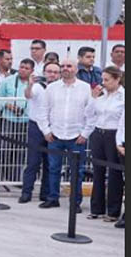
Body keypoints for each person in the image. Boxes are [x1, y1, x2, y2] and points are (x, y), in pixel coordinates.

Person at [39, 59, 93, 212]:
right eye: (62, 66)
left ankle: (75, 202)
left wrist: (85, 133)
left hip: (76, 137)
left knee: (77, 171)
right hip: (55, 135)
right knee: (53, 168)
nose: (65, 69)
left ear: (76, 69)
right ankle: (52, 198)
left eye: (69, 66)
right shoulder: (52, 88)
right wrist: (46, 131)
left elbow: (91, 113)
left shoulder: (85, 88)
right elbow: (43, 110)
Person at [84, 67, 125, 222]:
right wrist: (93, 98)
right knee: (98, 171)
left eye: (107, 80)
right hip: (98, 133)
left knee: (114, 173)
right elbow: (88, 114)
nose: (104, 83)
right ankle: (97, 208)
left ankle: (113, 211)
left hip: (114, 133)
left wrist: (118, 141)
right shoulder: (102, 96)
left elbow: (122, 122)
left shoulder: (123, 97)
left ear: (117, 79)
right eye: (103, 79)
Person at [19, 61, 61, 204]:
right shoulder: (37, 86)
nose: (52, 75)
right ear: (44, 72)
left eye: (55, 72)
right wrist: (30, 84)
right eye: (49, 71)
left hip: (54, 127)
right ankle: (26, 192)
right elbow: (28, 95)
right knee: (33, 162)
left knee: (51, 163)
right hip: (36, 127)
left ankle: (46, 193)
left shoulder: (60, 88)